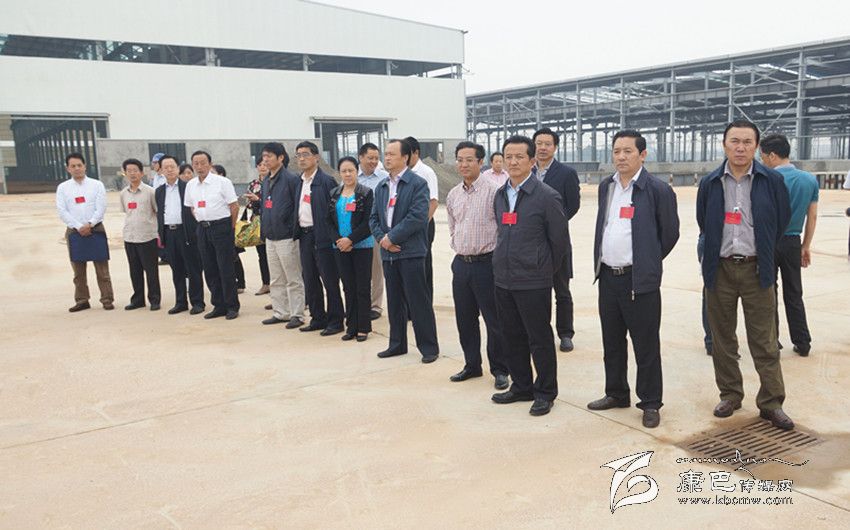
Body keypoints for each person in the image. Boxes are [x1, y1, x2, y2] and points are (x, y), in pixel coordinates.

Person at [697, 119, 793, 430]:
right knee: (722, 338)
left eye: (747, 142)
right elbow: (703, 222)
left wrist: (762, 252)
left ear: (756, 147)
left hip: (757, 269)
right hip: (720, 269)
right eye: (734, 141)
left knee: (764, 340)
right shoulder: (710, 182)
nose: (740, 147)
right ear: (724, 145)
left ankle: (771, 402)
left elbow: (781, 221)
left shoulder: (771, 180)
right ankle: (730, 394)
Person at [586, 131, 680, 429]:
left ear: (643, 155)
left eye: (628, 151)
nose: (621, 157)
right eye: (617, 151)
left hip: (639, 280)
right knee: (612, 341)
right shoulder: (607, 187)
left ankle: (650, 402)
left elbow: (669, 234)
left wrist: (648, 260)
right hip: (608, 277)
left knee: (645, 344)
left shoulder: (657, 189)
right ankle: (616, 392)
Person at [491, 135, 568, 416]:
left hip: (533, 280)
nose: (513, 162)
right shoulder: (500, 195)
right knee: (511, 336)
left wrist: (542, 269)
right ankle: (522, 386)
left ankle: (545, 391)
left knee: (539, 338)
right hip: (504, 278)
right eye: (508, 157)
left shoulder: (547, 196)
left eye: (519, 157)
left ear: (532, 161)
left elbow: (559, 243)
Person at [446, 141, 509, 390]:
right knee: (465, 319)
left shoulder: (495, 192)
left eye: (469, 160)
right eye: (460, 160)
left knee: (495, 320)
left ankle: (500, 369)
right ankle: (472, 365)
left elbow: (503, 228)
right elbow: (453, 226)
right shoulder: (453, 194)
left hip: (487, 264)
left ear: (481, 162)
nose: (463, 165)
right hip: (461, 264)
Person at [370, 138, 439, 362]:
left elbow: (417, 217)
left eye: (392, 154)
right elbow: (373, 218)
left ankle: (429, 348)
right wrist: (383, 239)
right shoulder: (382, 186)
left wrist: (392, 237)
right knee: (395, 301)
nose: (387, 158)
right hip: (389, 253)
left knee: (418, 301)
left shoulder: (417, 183)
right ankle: (397, 344)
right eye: (386, 154)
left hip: (410, 252)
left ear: (405, 157)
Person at [759, 133, 818, 357]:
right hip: (793, 241)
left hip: (769, 241)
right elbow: (812, 216)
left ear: (772, 155)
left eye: (763, 156)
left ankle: (772, 341)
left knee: (768, 292)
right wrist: (805, 246)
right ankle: (802, 342)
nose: (762, 160)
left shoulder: (767, 179)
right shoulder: (809, 180)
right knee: (794, 293)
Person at [532, 127, 581, 352]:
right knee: (535, 292)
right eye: (539, 144)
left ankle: (565, 333)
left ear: (555, 147)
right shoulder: (527, 171)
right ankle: (539, 333)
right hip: (531, 241)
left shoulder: (566, 173)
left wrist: (554, 224)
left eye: (547, 144)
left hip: (557, 240)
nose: (542, 148)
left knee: (561, 289)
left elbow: (573, 205)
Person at [293, 141, 345, 336]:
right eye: (298, 155)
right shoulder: (299, 181)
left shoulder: (326, 181)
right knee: (310, 279)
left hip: (323, 236)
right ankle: (317, 318)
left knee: (329, 280)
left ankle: (336, 321)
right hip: (305, 235)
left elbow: (334, 212)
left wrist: (334, 236)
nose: (302, 158)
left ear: (316, 157)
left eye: (306, 154)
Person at [184, 150, 241, 320]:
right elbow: (192, 207)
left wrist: (230, 228)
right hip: (202, 228)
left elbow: (234, 206)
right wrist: (202, 221)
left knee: (225, 268)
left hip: (222, 227)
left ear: (210, 164)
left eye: (203, 163)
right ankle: (219, 305)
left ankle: (232, 306)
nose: (199, 166)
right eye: (196, 163)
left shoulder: (222, 182)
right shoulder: (190, 185)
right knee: (209, 268)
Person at [56, 152, 114, 312]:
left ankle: (107, 299)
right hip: (74, 231)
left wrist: (90, 224)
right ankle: (82, 300)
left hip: (96, 228)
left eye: (79, 165)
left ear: (85, 166)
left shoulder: (97, 185)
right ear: (68, 168)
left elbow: (101, 207)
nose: (77, 168)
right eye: (73, 166)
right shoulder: (63, 188)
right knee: (78, 270)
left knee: (102, 269)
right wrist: (78, 226)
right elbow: (62, 210)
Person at [256, 142, 305, 329]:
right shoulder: (266, 180)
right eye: (264, 156)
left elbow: (297, 207)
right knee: (276, 278)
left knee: (293, 278)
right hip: (271, 236)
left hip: (286, 236)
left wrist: (293, 230)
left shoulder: (292, 179)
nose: (265, 160)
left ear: (281, 158)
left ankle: (297, 314)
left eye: (269, 156)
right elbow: (264, 207)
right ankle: (281, 312)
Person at [327, 156, 374, 341]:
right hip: (340, 247)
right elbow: (328, 221)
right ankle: (351, 326)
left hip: (361, 246)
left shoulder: (366, 193)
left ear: (357, 171)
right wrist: (339, 240)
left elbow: (368, 222)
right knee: (348, 287)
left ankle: (363, 327)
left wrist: (351, 240)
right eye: (344, 171)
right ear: (339, 173)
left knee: (362, 287)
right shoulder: (334, 193)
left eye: (351, 170)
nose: (347, 174)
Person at [155, 155, 205, 315]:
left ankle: (197, 302)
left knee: (193, 269)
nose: (169, 170)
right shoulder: (159, 191)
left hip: (186, 232)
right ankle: (181, 302)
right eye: (165, 167)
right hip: (169, 233)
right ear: (161, 170)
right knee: (176, 270)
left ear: (178, 168)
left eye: (172, 167)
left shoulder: (188, 187)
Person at [119, 158, 161, 311]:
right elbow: (126, 212)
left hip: (147, 237)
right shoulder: (123, 194)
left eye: (135, 170)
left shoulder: (150, 192)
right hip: (130, 237)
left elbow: (157, 211)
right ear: (125, 173)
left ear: (142, 173)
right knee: (134, 270)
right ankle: (138, 300)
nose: (132, 174)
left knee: (151, 271)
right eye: (129, 171)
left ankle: (154, 299)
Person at [404, 136, 439, 299]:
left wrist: (420, 226)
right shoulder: (403, 172)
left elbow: (433, 202)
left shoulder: (426, 172)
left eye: (407, 154)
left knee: (423, 266)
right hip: (406, 226)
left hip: (423, 225)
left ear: (416, 153)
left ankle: (425, 303)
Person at [357, 142, 389, 320]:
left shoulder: (384, 178)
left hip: (376, 230)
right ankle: (360, 303)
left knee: (377, 270)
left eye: (376, 158)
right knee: (359, 269)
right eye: (370, 158)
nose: (374, 161)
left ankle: (375, 306)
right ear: (361, 157)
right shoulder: (352, 176)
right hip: (356, 231)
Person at [213, 164, 247, 294]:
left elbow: (234, 206)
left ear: (221, 174)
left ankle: (240, 282)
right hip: (215, 228)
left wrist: (231, 226)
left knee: (233, 256)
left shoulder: (225, 186)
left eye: (213, 172)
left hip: (227, 226)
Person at [244, 158, 271, 296]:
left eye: (265, 164)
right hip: (257, 223)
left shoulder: (273, 182)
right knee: (262, 255)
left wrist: (258, 200)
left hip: (271, 221)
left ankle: (276, 285)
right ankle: (266, 283)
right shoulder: (253, 184)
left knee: (274, 256)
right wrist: (253, 201)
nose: (263, 167)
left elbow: (273, 203)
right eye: (260, 165)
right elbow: (248, 204)